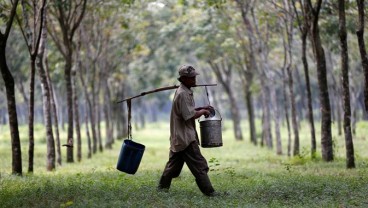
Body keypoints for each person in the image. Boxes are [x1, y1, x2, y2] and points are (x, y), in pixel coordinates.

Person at [157, 65, 219, 197]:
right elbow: (189, 115)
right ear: (183, 79)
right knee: (199, 165)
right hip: (186, 138)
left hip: (178, 137)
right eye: (191, 78)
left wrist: (201, 107)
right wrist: (203, 112)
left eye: (194, 77)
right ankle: (210, 192)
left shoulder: (184, 91)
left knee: (172, 167)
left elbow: (187, 110)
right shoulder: (183, 93)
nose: (194, 80)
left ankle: (161, 190)